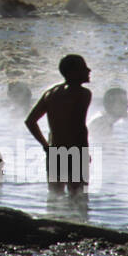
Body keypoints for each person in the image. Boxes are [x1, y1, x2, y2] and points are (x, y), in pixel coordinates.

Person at [24, 54, 92, 195]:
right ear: (73, 72)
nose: (89, 70)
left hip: (54, 153)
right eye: (84, 68)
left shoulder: (50, 93)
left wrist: (46, 146)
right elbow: (78, 127)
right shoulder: (83, 94)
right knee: (78, 200)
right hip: (75, 153)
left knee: (54, 198)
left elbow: (30, 121)